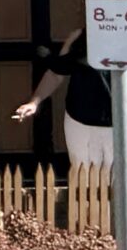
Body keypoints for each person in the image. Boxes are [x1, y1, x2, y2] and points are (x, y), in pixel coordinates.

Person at [12, 29, 115, 168]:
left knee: (120, 175)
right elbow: (56, 73)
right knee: (83, 175)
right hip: (79, 122)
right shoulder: (78, 36)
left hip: (119, 124)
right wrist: (34, 102)